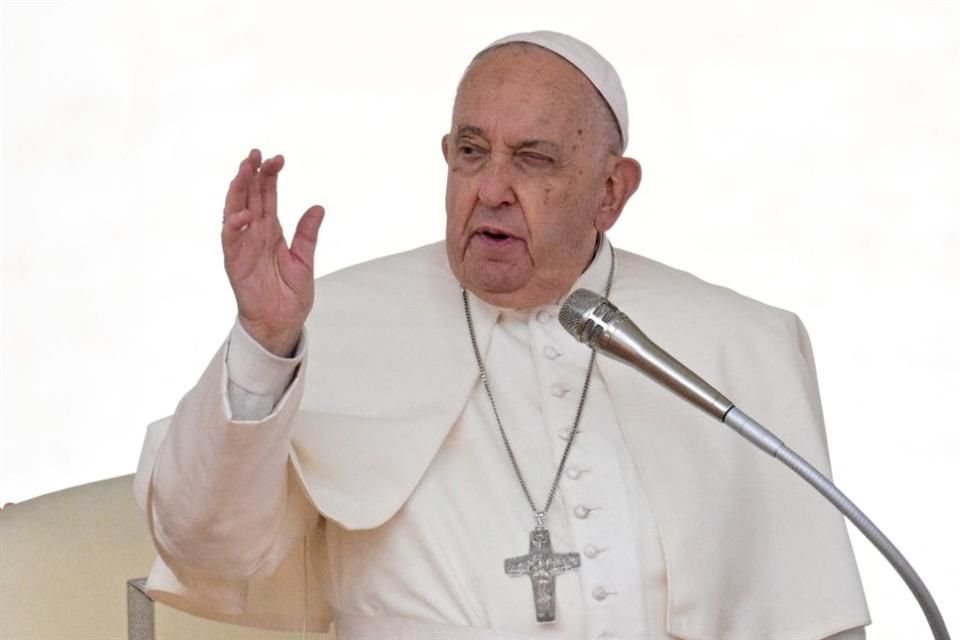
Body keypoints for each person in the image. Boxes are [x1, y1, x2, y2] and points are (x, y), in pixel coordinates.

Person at [135, 31, 870, 639]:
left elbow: (815, 618)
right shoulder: (326, 325)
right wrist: (263, 344)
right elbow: (204, 547)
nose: (490, 188)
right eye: (471, 151)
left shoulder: (734, 345)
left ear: (611, 191)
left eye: (533, 159)